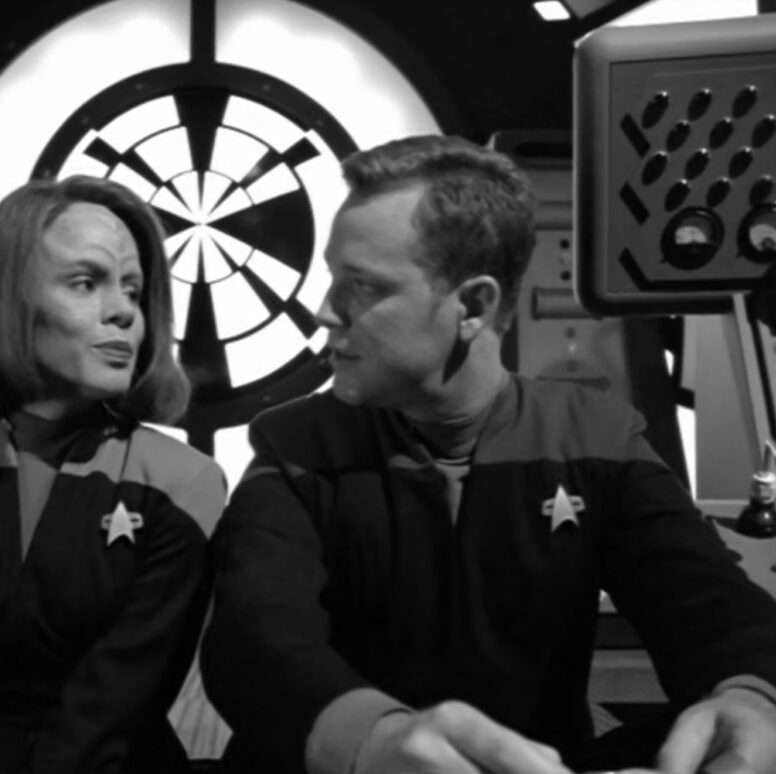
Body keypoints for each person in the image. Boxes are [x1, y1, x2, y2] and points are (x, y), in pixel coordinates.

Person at [200, 135, 776, 774]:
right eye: (333, 278)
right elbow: (253, 638)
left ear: (473, 306)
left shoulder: (594, 436)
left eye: (360, 286)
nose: (323, 312)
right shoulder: (296, 445)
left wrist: (752, 699)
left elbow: (709, 602)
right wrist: (370, 741)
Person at [0, 175, 226, 774]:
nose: (124, 311)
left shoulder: (184, 482)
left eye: (133, 290)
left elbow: (115, 705)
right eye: (86, 282)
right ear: (5, 299)